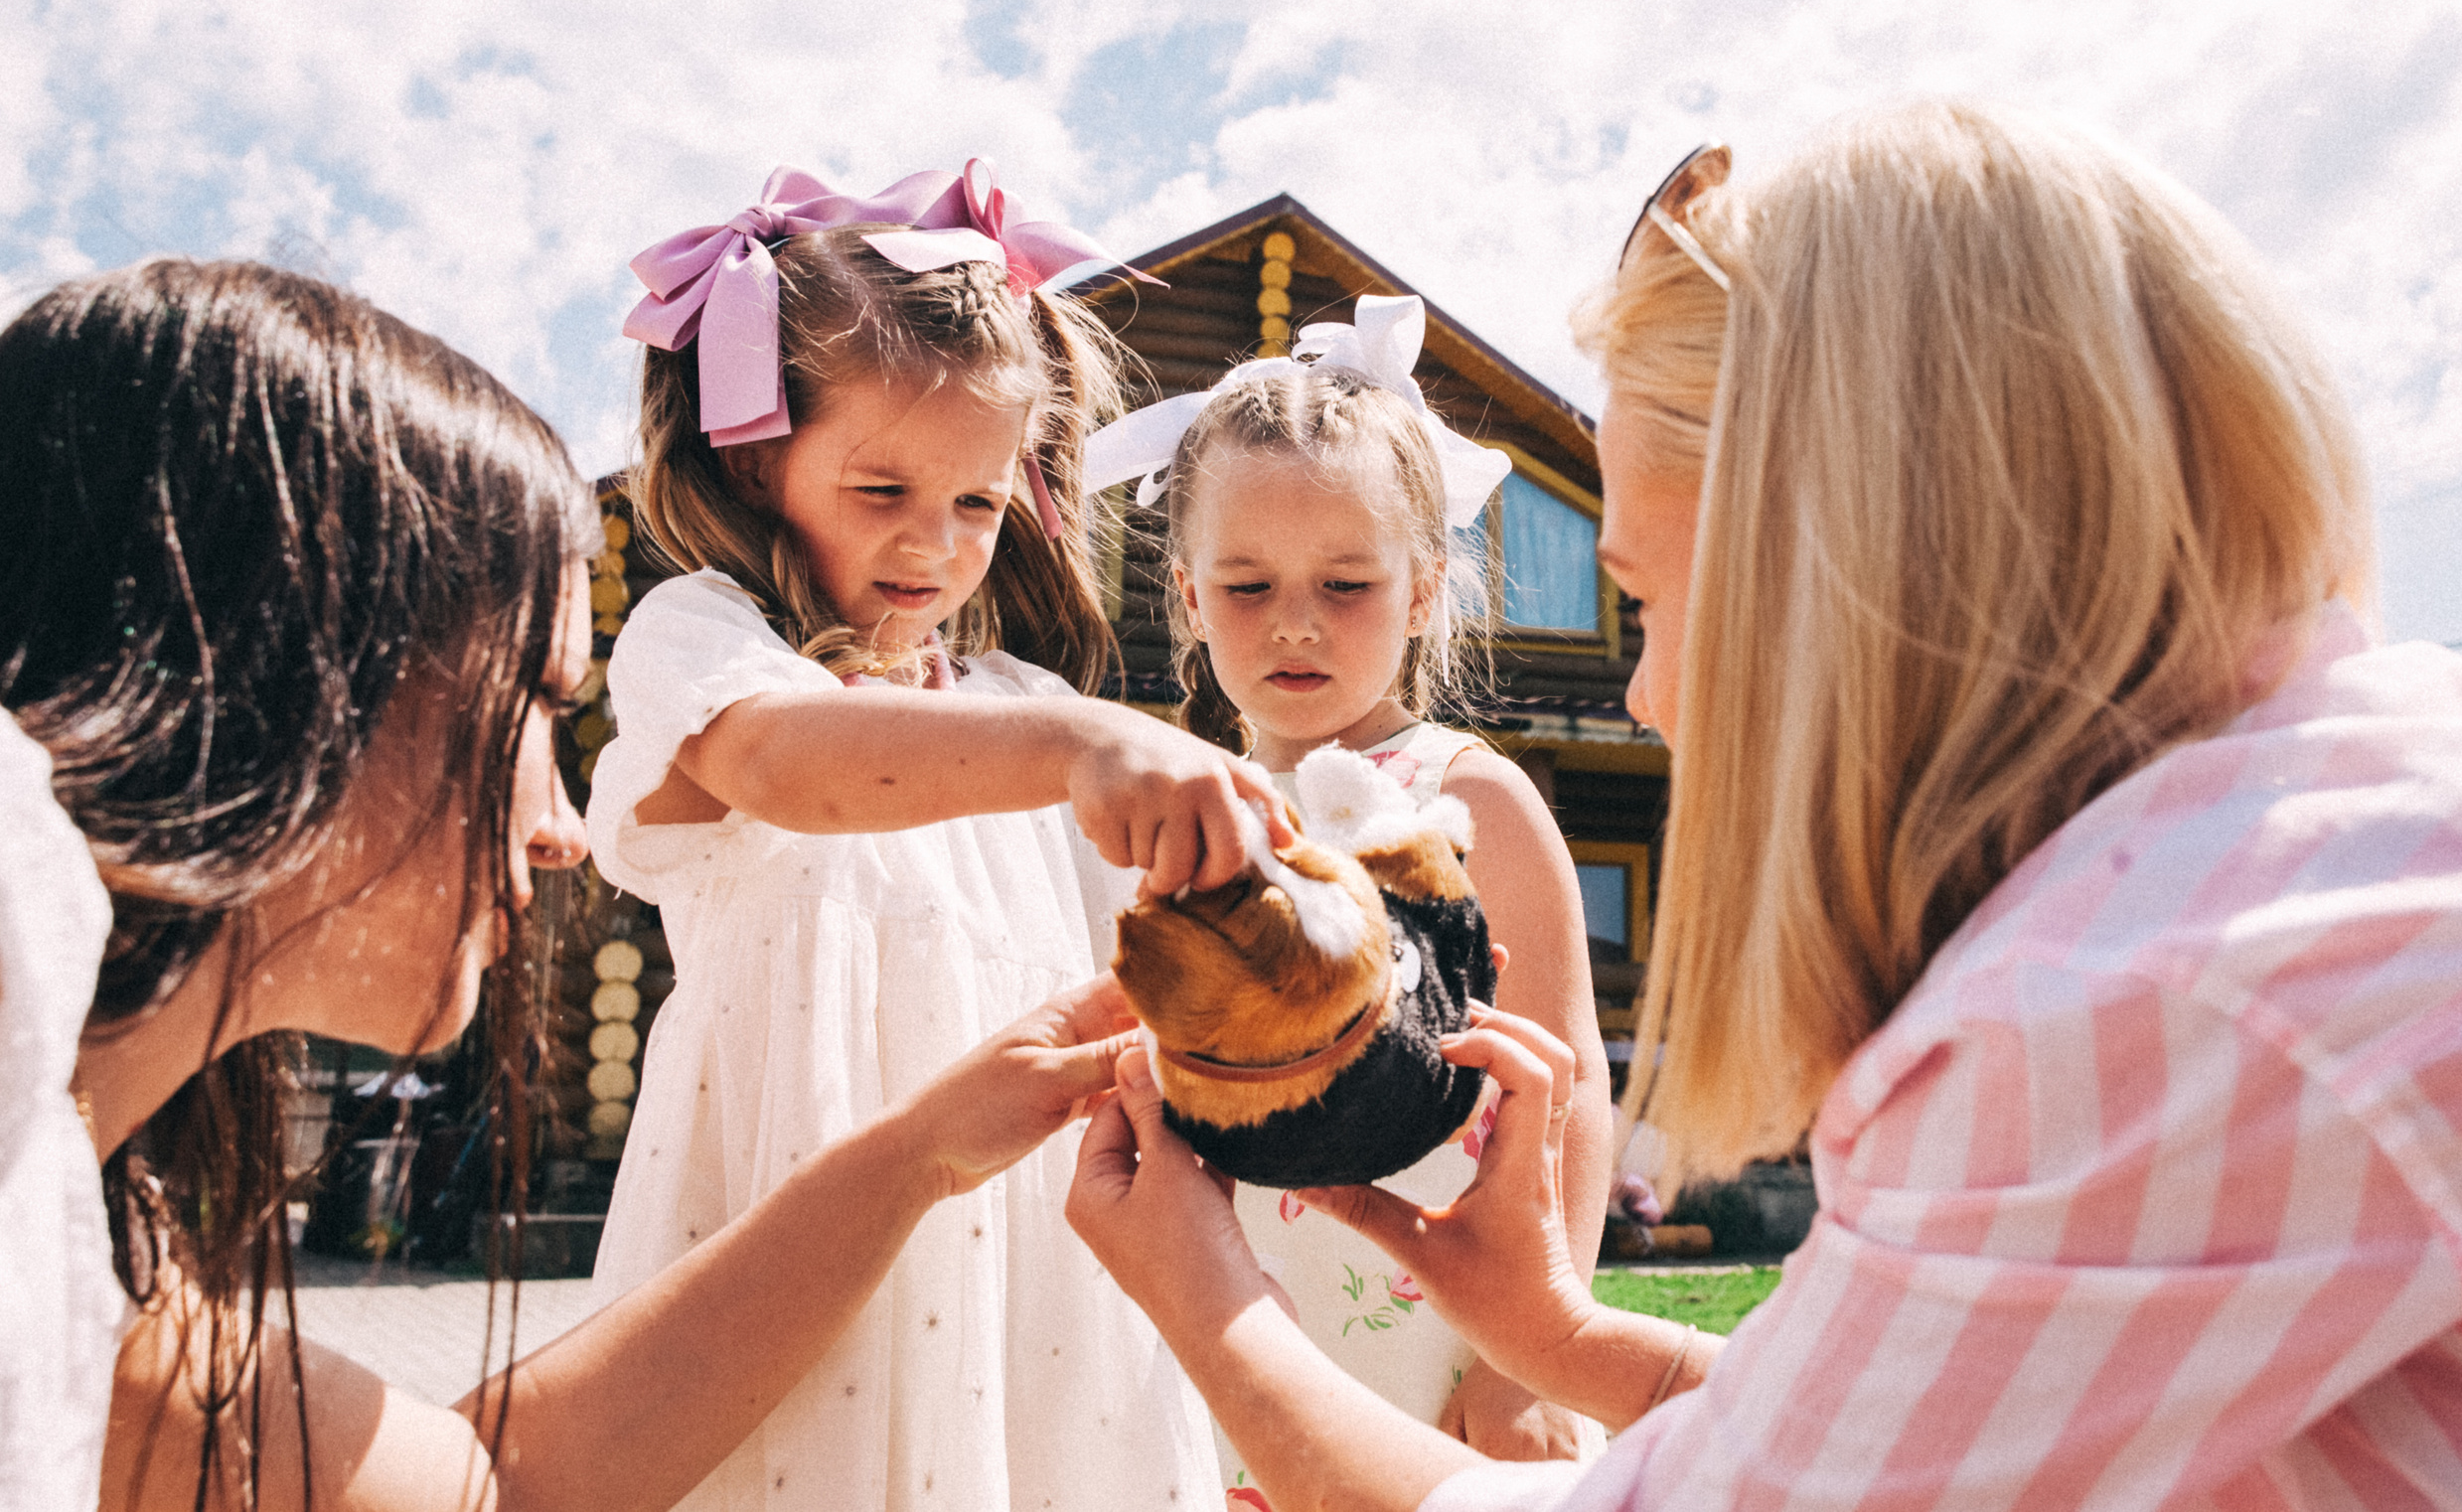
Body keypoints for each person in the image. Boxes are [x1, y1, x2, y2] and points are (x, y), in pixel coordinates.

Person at [1066, 100, 2462, 1509]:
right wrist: (1563, 1335)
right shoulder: (2325, 820)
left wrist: (1210, 1303)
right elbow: (1914, 1418)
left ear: (1858, 565)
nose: (1641, 695)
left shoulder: (2159, 996)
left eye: (1640, 596)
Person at [0, 257, 1154, 1512]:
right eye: (535, 710)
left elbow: (492, 1485)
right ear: (276, 688)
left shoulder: (82, 1269)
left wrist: (924, 1149)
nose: (564, 831)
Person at [585, 162, 1279, 1511]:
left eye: (975, 501)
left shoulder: (1030, 710)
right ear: (756, 453)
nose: (934, 542)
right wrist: (1088, 751)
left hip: (1034, 1270)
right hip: (800, 1237)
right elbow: (792, 763)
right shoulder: (711, 648)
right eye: (882, 486)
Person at [1081, 293, 1611, 1471]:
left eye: (1347, 585)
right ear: (1186, 597)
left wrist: (1532, 1357)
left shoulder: (1469, 801)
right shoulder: (1180, 808)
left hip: (1436, 1320)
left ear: (1423, 590)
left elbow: (1564, 1082)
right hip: (1219, 1320)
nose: (1296, 627)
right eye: (1249, 586)